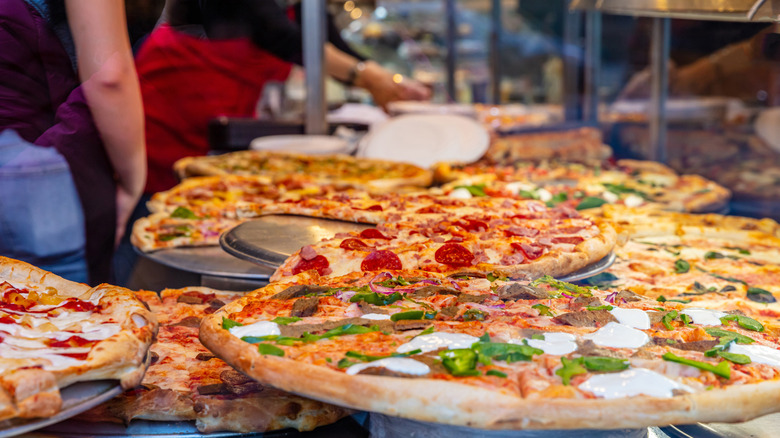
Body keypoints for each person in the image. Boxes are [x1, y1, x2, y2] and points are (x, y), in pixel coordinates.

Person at [0, 0, 145, 284]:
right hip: (30, 180)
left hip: (24, 168)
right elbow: (110, 76)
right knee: (60, 317)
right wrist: (133, 182)